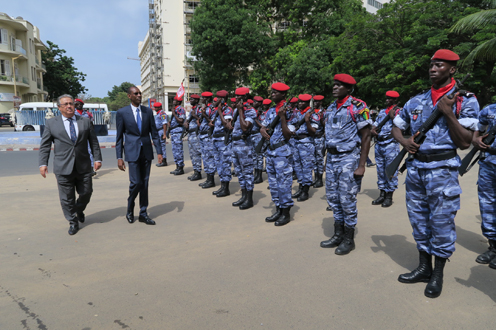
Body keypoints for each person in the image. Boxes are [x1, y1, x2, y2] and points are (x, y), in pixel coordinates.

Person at [392, 49, 479, 298]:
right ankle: (423, 268)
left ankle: (437, 273)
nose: (432, 69)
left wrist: (448, 112)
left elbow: (464, 143)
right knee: (418, 221)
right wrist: (405, 142)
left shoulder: (465, 100)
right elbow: (396, 127)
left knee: (440, 224)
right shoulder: (416, 100)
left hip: (443, 170)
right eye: (431, 65)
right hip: (416, 169)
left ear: (452, 70)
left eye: (439, 65)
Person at [319, 74, 372, 255]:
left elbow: (366, 136)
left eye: (339, 85)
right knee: (333, 198)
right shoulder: (331, 107)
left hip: (348, 159)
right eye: (334, 84)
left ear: (349, 89)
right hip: (332, 159)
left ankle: (349, 239)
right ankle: (338, 234)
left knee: (347, 199)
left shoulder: (358, 107)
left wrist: (362, 165)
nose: (335, 88)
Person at [39, 94, 102, 235]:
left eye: (71, 103)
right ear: (59, 107)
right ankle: (73, 221)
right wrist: (43, 163)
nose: (69, 106)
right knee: (67, 198)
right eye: (66, 104)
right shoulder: (51, 123)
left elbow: (93, 142)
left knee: (86, 192)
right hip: (62, 166)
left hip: (83, 165)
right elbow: (45, 145)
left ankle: (78, 209)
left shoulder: (85, 121)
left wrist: (97, 159)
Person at [116, 86, 163, 225]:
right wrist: (119, 157)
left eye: (140, 93)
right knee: (136, 182)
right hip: (132, 152)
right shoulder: (122, 112)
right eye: (136, 93)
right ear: (129, 96)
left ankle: (143, 213)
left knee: (145, 183)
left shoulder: (148, 111)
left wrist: (159, 151)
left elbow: (154, 133)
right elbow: (119, 137)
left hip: (146, 152)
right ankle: (130, 207)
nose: (139, 95)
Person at [261, 83, 295, 226]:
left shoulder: (290, 112)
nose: (272, 94)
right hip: (270, 152)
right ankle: (278, 209)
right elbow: (264, 125)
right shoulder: (269, 111)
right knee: (273, 184)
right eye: (272, 92)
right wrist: (262, 130)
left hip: (282, 153)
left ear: (283, 95)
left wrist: (282, 118)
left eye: (276, 92)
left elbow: (288, 135)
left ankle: (285, 213)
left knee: (284, 184)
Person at [473, 103, 496, 270]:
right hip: (488, 163)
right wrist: (476, 139)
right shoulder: (489, 110)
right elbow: (478, 129)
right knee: (487, 204)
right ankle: (493, 247)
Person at [370, 91, 401, 207]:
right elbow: (376, 123)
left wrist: (393, 118)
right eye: (387, 98)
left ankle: (389, 196)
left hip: (390, 145)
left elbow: (402, 126)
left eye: (390, 99)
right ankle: (382, 194)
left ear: (396, 101)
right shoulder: (382, 112)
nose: (387, 100)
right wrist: (373, 129)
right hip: (379, 144)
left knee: (391, 170)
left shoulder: (399, 112)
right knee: (380, 171)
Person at [230, 87, 257, 210]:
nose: (236, 99)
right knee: (239, 173)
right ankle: (243, 196)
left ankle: (249, 199)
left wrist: (241, 111)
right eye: (236, 96)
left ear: (245, 97)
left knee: (247, 173)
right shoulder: (236, 110)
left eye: (239, 97)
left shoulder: (250, 111)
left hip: (244, 145)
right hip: (235, 144)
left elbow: (245, 127)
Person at [290, 94, 321, 202]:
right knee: (298, 167)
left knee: (306, 167)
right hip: (296, 142)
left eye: (302, 102)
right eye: (299, 102)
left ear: (308, 103)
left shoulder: (313, 115)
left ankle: (305, 191)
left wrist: (307, 121)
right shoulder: (297, 114)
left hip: (306, 143)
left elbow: (313, 131)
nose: (300, 103)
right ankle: (300, 187)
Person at [211, 90, 233, 197]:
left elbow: (227, 125)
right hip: (216, 140)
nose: (216, 99)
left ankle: (226, 189)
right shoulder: (217, 110)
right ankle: (222, 186)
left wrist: (220, 111)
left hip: (223, 140)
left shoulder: (227, 110)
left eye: (218, 98)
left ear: (222, 99)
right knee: (219, 164)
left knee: (225, 164)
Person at [198, 91, 217, 189]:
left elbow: (212, 122)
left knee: (209, 158)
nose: (202, 99)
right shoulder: (205, 108)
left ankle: (211, 180)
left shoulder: (212, 109)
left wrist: (204, 114)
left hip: (208, 136)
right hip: (202, 136)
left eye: (203, 97)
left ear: (208, 99)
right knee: (205, 158)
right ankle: (208, 179)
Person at [74, 98, 97, 176]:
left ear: (82, 105)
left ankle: (90, 168)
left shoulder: (87, 114)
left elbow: (91, 124)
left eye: (79, 104)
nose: (78, 105)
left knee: (89, 151)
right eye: (76, 104)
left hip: (86, 135)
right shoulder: (73, 113)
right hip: (76, 136)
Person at [184, 94, 203, 181]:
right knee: (192, 154)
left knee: (196, 153)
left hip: (196, 134)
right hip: (191, 134)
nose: (190, 100)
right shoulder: (193, 109)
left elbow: (202, 120)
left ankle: (198, 172)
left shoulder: (199, 109)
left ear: (196, 100)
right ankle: (195, 171)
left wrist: (194, 115)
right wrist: (186, 123)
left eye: (192, 99)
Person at [169, 96, 186, 175]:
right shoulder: (175, 109)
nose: (173, 101)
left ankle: (180, 168)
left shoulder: (180, 109)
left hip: (178, 132)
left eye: (175, 100)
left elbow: (181, 121)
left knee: (178, 151)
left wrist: (174, 114)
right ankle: (177, 167)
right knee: (175, 151)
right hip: (173, 132)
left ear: (178, 102)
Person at [312, 95, 325, 188]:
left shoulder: (324, 112)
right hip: (312, 138)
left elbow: (326, 126)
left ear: (321, 102)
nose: (316, 103)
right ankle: (316, 178)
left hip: (320, 138)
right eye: (315, 101)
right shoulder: (311, 112)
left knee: (319, 159)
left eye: (318, 101)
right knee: (313, 160)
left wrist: (321, 119)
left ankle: (320, 179)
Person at [251, 96, 265, 184]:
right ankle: (256, 174)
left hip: (258, 135)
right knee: (253, 156)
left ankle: (259, 176)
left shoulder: (261, 113)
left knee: (259, 156)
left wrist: (255, 118)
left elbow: (263, 125)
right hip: (251, 135)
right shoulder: (251, 112)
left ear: (260, 104)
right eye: (254, 101)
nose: (254, 103)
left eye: (256, 102)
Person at [154, 102, 168, 167]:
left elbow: (164, 124)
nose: (154, 108)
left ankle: (164, 161)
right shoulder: (158, 114)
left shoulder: (162, 114)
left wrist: (164, 134)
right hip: (158, 131)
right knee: (160, 146)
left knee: (162, 146)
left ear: (159, 107)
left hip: (161, 131)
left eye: (156, 107)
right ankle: (161, 160)